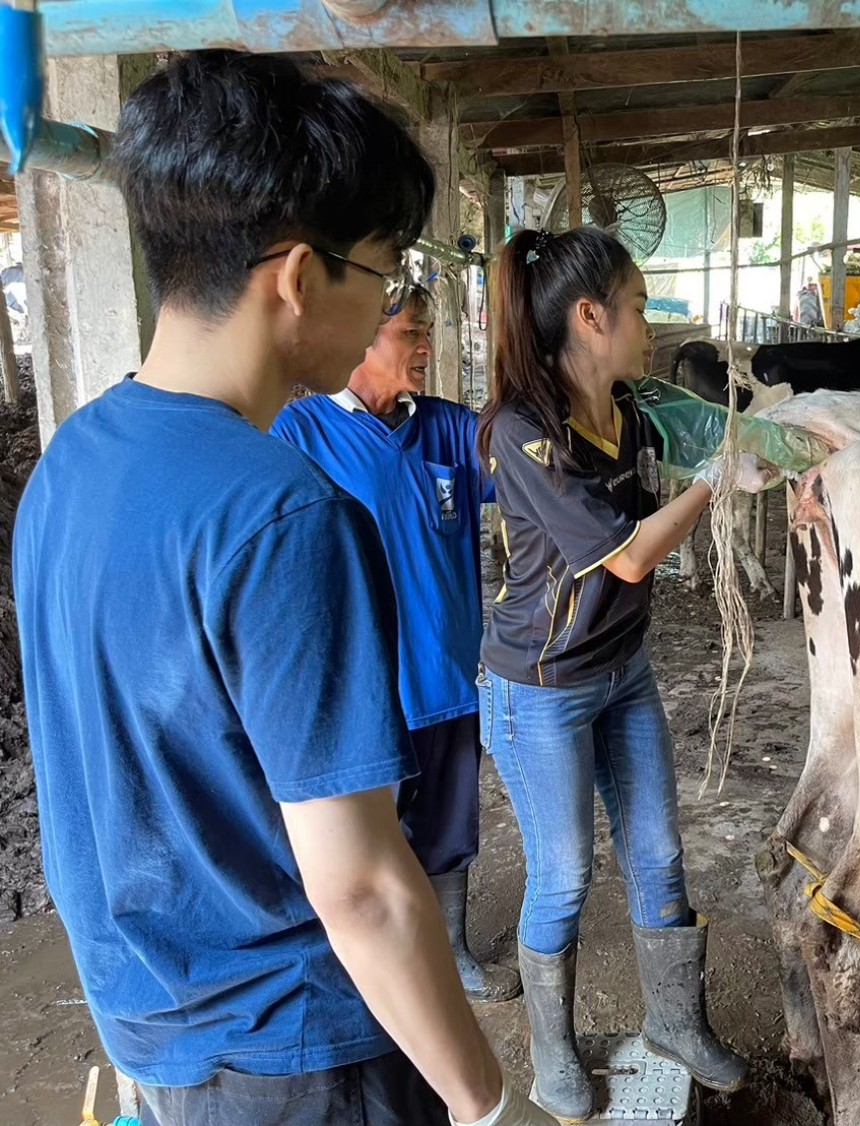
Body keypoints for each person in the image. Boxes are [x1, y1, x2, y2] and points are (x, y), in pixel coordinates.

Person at [13, 52, 551, 1126]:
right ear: (299, 277)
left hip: (153, 1026)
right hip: (301, 1056)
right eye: (384, 273)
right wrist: (483, 1099)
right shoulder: (288, 514)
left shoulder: (70, 461)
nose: (391, 308)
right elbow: (363, 887)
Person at [476, 226, 767, 1122]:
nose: (651, 325)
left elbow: (723, 439)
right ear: (590, 317)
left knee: (659, 850)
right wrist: (717, 481)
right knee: (564, 874)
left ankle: (675, 1023)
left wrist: (780, 450)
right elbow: (633, 557)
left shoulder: (632, 407)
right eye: (639, 307)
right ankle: (552, 1048)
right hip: (540, 688)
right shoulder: (523, 431)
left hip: (621, 668)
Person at [271, 286, 520, 1003]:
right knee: (359, 844)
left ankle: (449, 955)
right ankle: (367, 977)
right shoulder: (300, 434)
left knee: (447, 829)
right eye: (411, 332)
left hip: (447, 680)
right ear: (362, 335)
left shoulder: (451, 430)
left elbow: (526, 476)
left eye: (428, 330)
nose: (426, 346)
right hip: (361, 690)